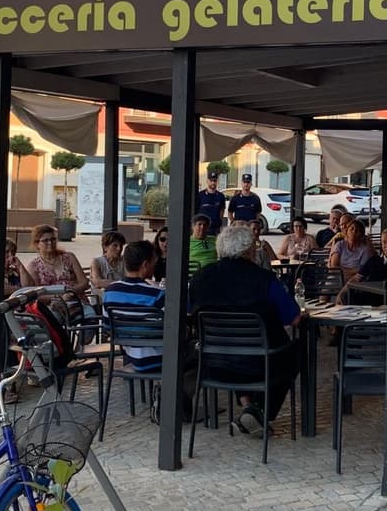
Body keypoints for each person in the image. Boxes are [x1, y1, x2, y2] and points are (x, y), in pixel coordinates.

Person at [189, 224, 303, 438]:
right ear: (248, 250)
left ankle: (249, 406)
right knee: (297, 351)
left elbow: (189, 311)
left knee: (234, 345)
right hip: (261, 363)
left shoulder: (200, 277)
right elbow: (295, 319)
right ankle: (259, 411)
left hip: (214, 362)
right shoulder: (264, 279)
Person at [103, 240, 166, 372]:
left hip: (131, 357)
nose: (155, 265)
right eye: (154, 262)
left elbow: (108, 327)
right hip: (159, 359)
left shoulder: (110, 291)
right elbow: (169, 329)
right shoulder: (157, 294)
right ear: (145, 265)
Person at [27, 224, 90, 299]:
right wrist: (59, 298)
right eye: (45, 240)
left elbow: (84, 282)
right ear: (37, 244)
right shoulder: (34, 266)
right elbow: (36, 294)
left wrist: (71, 292)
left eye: (53, 239)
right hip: (51, 303)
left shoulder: (69, 257)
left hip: (76, 299)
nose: (50, 243)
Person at [337, 227, 387, 305]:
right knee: (346, 296)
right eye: (384, 242)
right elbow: (356, 278)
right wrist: (341, 293)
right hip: (367, 297)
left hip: (386, 299)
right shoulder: (373, 260)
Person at [195, 171, 227, 235]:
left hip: (215, 229)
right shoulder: (200, 195)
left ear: (217, 181)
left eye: (215, 181)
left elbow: (222, 210)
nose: (213, 183)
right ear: (207, 181)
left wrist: (219, 223)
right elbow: (196, 210)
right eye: (211, 180)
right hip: (202, 228)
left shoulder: (221, 196)